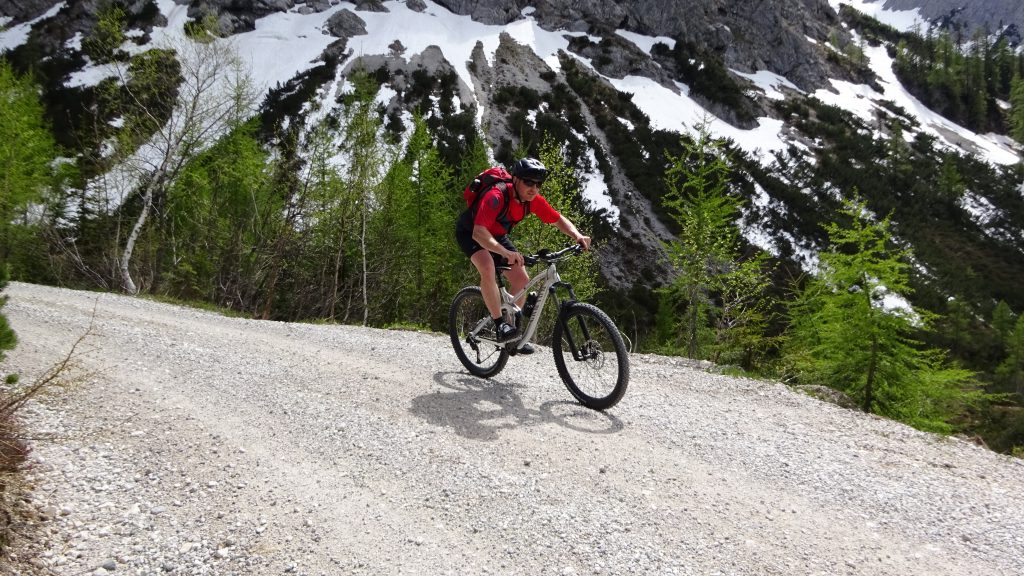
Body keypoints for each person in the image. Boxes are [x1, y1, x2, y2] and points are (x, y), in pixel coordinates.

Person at [455, 157, 591, 354]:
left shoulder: (532, 201)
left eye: (538, 184)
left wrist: (577, 235)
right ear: (516, 180)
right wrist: (504, 252)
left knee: (521, 278)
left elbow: (557, 219)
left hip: (497, 236)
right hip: (471, 232)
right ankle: (500, 324)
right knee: (487, 267)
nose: (534, 188)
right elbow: (479, 233)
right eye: (529, 182)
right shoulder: (496, 196)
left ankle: (511, 334)